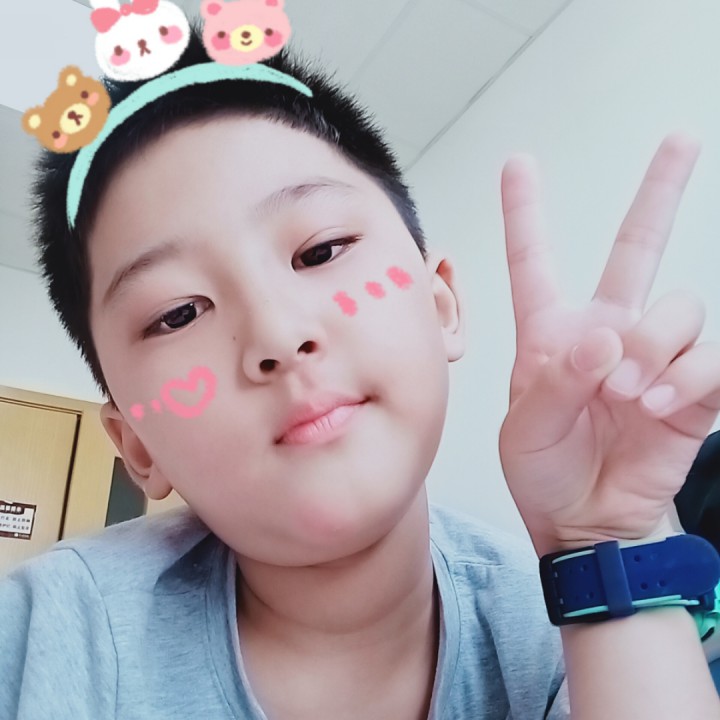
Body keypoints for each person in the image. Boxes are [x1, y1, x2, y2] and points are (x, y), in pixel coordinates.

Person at [1, 24, 720, 720]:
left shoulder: (566, 632)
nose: (278, 336)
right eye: (179, 313)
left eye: (320, 252)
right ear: (137, 445)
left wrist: (605, 542)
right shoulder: (46, 638)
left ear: (439, 305)